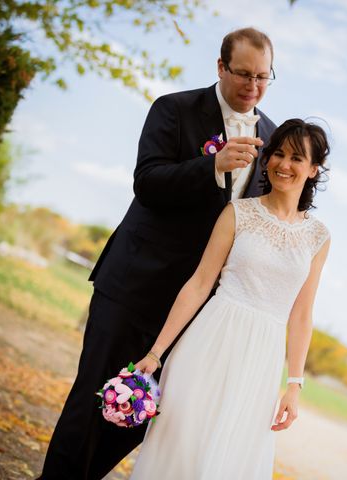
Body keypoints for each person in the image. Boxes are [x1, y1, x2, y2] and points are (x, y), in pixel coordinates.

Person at [40, 27, 277, 479]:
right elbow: (147, 182)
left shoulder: (270, 135)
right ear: (221, 67)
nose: (253, 86)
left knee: (147, 410)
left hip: (194, 308)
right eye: (243, 74)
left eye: (263, 77)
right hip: (134, 284)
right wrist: (211, 165)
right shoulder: (174, 108)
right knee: (96, 396)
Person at [130, 118, 331, 479]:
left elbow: (301, 315)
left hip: (262, 359)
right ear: (266, 159)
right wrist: (155, 353)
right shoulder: (238, 212)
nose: (284, 165)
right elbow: (200, 283)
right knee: (181, 447)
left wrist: (295, 386)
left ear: (314, 169)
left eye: (297, 158)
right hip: (210, 341)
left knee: (229, 459)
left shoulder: (318, 236)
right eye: (279, 154)